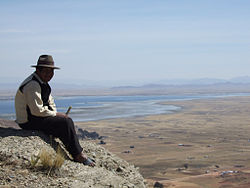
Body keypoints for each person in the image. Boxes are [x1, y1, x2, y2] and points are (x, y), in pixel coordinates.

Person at [15, 54, 95, 167]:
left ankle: (76, 151)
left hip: (36, 118)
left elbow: (50, 103)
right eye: (46, 71)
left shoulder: (42, 83)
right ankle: (78, 155)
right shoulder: (32, 85)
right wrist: (56, 115)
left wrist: (55, 116)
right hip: (29, 121)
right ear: (38, 70)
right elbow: (36, 111)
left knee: (63, 121)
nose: (49, 75)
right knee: (66, 122)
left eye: (51, 72)